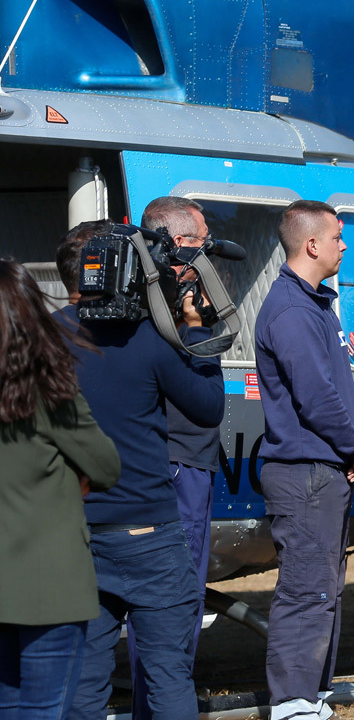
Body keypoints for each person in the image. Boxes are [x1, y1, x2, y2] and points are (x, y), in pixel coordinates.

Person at [65, 221, 225, 720]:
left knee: (83, 682)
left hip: (76, 533)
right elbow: (207, 407)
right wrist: (195, 329)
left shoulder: (46, 334)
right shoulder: (153, 338)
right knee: (167, 676)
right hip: (150, 534)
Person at [254, 200, 354, 720]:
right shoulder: (291, 309)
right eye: (337, 238)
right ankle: (292, 702)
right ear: (311, 244)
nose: (343, 246)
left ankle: (310, 691)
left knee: (323, 586)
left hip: (320, 471)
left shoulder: (312, 305)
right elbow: (318, 398)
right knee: (307, 587)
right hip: (304, 473)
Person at [0, 259, 120, 720]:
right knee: (46, 709)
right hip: (50, 585)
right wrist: (72, 475)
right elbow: (106, 466)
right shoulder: (50, 392)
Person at [125, 196, 221, 720]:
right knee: (172, 605)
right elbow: (200, 393)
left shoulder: (134, 292)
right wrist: (196, 322)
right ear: (181, 244)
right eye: (203, 241)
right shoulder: (165, 303)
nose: (210, 251)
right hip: (179, 462)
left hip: (178, 461)